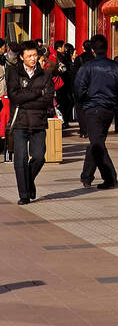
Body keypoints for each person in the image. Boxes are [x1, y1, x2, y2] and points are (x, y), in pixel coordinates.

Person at [74, 39, 118, 190]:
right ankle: (86, 176)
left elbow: (78, 88)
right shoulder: (116, 67)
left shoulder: (87, 67)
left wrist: (83, 101)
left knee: (97, 143)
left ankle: (110, 177)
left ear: (92, 50)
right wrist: (116, 98)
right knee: (97, 142)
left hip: (93, 108)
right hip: (108, 109)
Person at [6, 41, 53, 204]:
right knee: (20, 159)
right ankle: (24, 194)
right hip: (20, 121)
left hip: (38, 122)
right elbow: (15, 97)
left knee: (39, 157)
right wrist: (37, 93)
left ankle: (28, 181)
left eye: (35, 55)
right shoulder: (13, 73)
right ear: (21, 57)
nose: (33, 59)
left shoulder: (45, 75)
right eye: (29, 56)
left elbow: (47, 101)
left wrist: (26, 98)